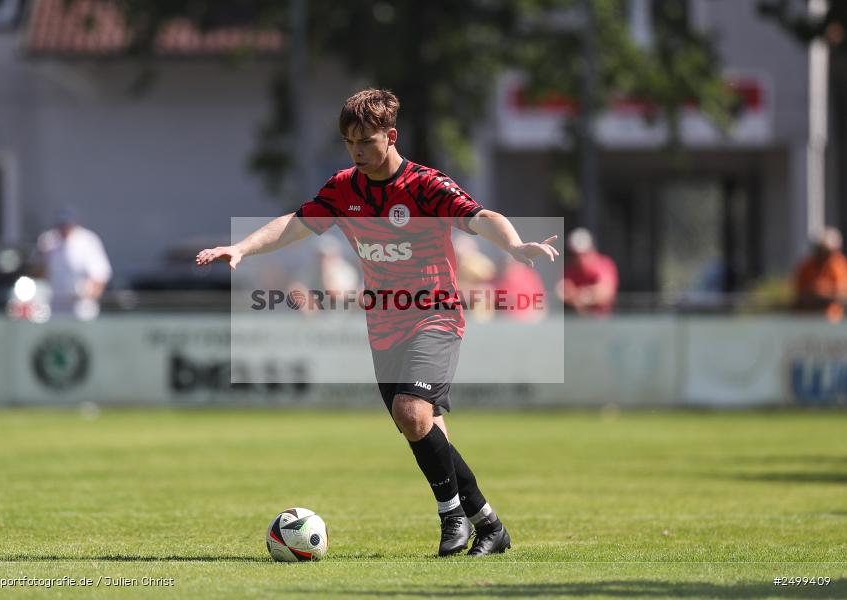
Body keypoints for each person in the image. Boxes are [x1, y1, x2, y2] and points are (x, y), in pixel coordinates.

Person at [196, 89, 559, 556]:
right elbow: (296, 221)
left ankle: (453, 520)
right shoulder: (345, 187)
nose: (358, 151)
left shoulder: (425, 185)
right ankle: (488, 523)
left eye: (366, 140)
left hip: (435, 314)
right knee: (421, 425)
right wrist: (242, 247)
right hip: (383, 323)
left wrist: (513, 246)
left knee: (412, 412)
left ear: (391, 136)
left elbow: (480, 217)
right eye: (350, 142)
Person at [37, 209, 112, 321]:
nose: (65, 230)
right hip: (55, 303)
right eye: (62, 226)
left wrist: (90, 295)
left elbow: (101, 273)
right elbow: (37, 273)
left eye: (68, 225)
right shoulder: (48, 241)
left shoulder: (87, 240)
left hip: (81, 305)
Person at [555, 227, 618, 317]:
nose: (580, 259)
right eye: (575, 255)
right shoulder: (570, 268)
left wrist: (581, 296)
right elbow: (561, 291)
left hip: (601, 322)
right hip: (577, 322)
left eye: (583, 254)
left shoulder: (604, 264)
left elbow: (606, 292)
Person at [794, 226, 847, 322]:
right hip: (806, 317)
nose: (823, 254)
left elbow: (841, 296)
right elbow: (800, 295)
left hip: (831, 317)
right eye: (820, 249)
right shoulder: (806, 266)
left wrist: (820, 295)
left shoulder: (838, 265)